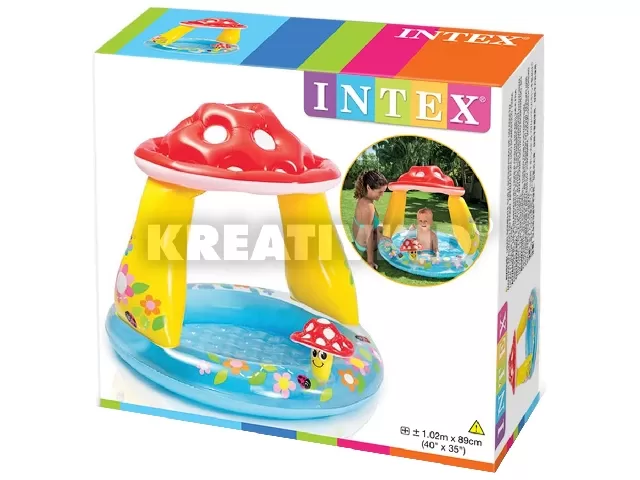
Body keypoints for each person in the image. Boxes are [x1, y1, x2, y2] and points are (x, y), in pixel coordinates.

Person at [352, 170, 388, 269]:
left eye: (383, 191)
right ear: (368, 187)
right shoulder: (368, 206)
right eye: (380, 192)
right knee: (393, 237)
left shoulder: (364, 199)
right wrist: (370, 262)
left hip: (358, 240)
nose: (382, 195)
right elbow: (368, 234)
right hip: (363, 245)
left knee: (384, 228)